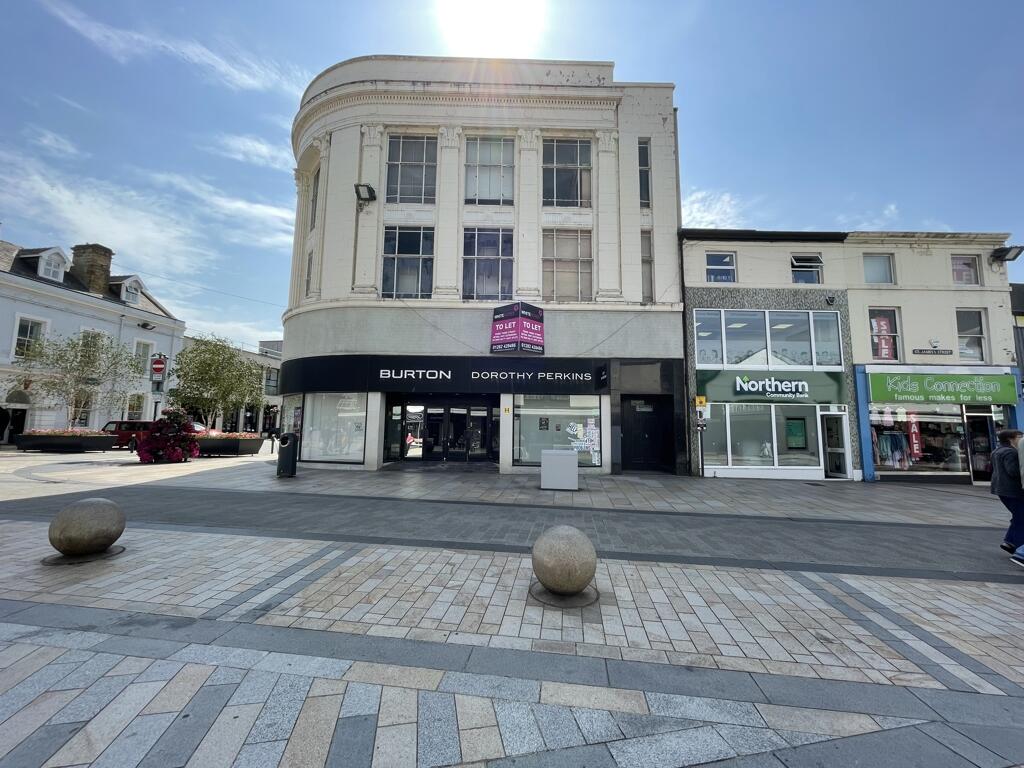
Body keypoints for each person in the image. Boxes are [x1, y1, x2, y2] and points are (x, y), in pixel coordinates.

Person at [991, 428, 1024, 567]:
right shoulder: (1010, 452)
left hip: (1000, 489)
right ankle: (1018, 546)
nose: (1021, 438)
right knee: (1021, 516)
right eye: (1019, 436)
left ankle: (1010, 541)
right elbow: (1013, 471)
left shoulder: (997, 451)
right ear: (1011, 439)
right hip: (1012, 490)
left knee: (1018, 516)